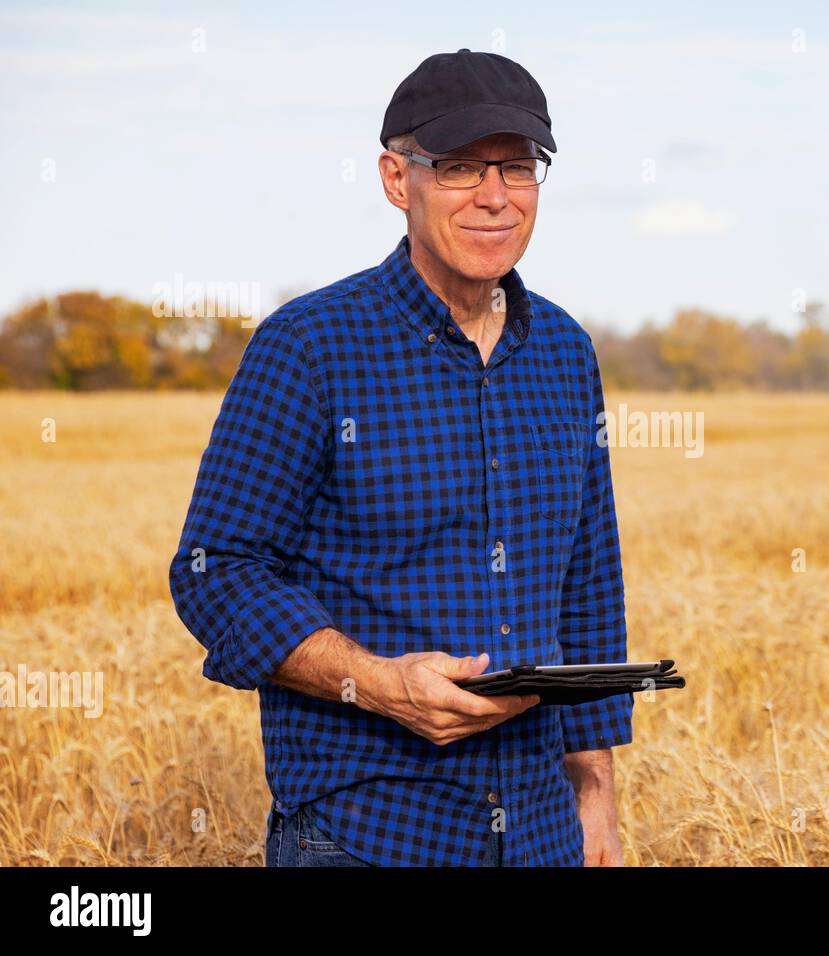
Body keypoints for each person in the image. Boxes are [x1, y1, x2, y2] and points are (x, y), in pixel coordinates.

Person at [169, 48, 632, 866]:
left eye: (518, 167)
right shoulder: (310, 346)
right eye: (458, 168)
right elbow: (217, 568)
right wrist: (380, 683)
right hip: (369, 834)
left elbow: (588, 578)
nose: (494, 197)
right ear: (396, 179)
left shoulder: (565, 351)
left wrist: (593, 788)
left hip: (539, 833)